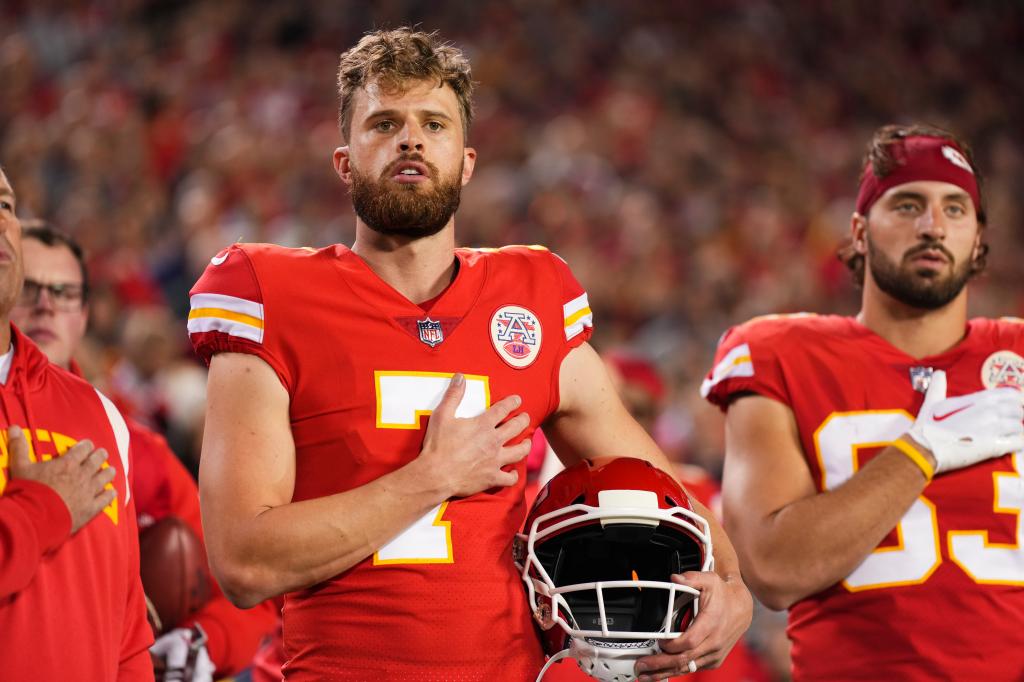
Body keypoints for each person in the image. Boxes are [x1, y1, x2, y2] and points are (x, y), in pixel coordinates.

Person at [188, 27, 752, 681]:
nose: (411, 138)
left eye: (434, 123)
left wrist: (731, 580)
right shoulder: (269, 294)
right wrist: (432, 478)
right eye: (384, 123)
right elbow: (244, 562)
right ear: (344, 162)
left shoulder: (531, 298)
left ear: (468, 160)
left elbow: (655, 487)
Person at [701, 123, 1024, 680]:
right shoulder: (781, 352)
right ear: (859, 230)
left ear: (977, 237)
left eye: (954, 209)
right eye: (906, 205)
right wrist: (918, 453)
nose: (932, 226)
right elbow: (772, 569)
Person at [9, 221, 279, 681]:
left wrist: (199, 643)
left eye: (64, 292)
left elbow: (247, 589)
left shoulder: (136, 448)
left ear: (86, 314)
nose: (45, 305)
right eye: (28, 287)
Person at [0, 168, 154, 680]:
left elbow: (127, 634)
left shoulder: (101, 414)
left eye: (5, 206)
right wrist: (42, 510)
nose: (0, 222)